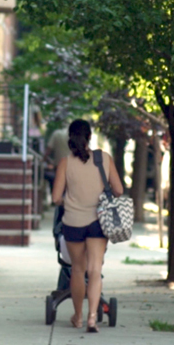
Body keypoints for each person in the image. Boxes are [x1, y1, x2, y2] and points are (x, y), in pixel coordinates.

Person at [51, 119, 124, 332]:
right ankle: (93, 317)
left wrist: (70, 201)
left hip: (73, 222)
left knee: (77, 269)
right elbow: (118, 190)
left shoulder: (65, 163)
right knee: (94, 270)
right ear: (89, 137)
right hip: (99, 222)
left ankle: (78, 316)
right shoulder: (104, 159)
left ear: (70, 138)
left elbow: (56, 197)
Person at [44, 126, 70, 191]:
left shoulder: (56, 134)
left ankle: (56, 198)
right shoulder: (74, 135)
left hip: (58, 166)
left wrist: (44, 158)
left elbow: (49, 149)